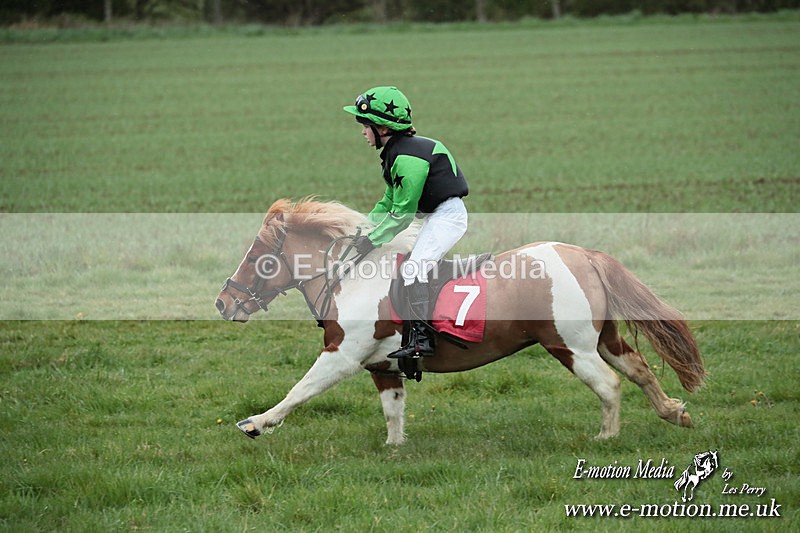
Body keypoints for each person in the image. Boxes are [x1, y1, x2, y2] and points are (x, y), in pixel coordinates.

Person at [343, 86, 469, 360]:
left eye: (366, 126)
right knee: (407, 267)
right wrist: (363, 229)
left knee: (413, 270)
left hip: (446, 217)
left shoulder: (406, 158)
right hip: (436, 217)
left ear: (383, 129)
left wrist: (372, 240)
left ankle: (422, 341)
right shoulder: (396, 154)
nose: (363, 132)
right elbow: (388, 201)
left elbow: (402, 214)